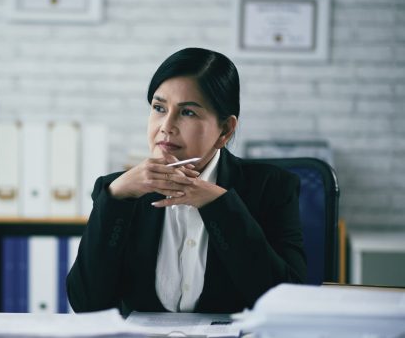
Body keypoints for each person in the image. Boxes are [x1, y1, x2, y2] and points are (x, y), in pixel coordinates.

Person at [66, 47, 306, 315]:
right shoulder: (119, 191)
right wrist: (116, 198)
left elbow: (287, 302)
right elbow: (87, 305)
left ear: (225, 130)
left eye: (188, 112)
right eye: (159, 108)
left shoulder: (272, 187)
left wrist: (220, 205)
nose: (166, 126)